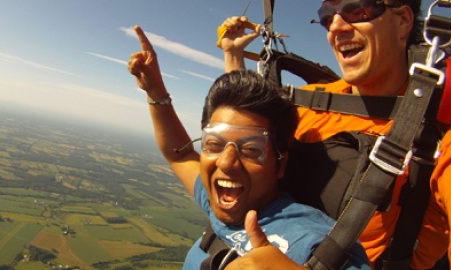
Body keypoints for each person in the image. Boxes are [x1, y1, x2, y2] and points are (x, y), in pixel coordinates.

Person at [218, 0, 451, 269]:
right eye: (327, 14)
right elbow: (241, 131)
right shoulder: (313, 100)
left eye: (356, 9)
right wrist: (234, 57)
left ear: (403, 20)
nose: (336, 25)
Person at [128, 25, 370, 269]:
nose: (226, 162)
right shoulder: (220, 200)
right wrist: (155, 90)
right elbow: (179, 154)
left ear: (280, 164)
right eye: (214, 145)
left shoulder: (313, 241)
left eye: (251, 150)